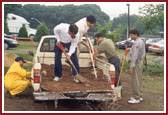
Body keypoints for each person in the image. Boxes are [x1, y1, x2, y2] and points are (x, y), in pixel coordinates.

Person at [125, 29, 145, 104]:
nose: (131, 37)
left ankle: (136, 97)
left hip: (136, 63)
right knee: (138, 80)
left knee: (135, 80)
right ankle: (140, 96)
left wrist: (131, 67)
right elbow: (136, 51)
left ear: (136, 35)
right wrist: (130, 49)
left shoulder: (137, 43)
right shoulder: (140, 41)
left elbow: (135, 56)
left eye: (131, 35)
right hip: (140, 62)